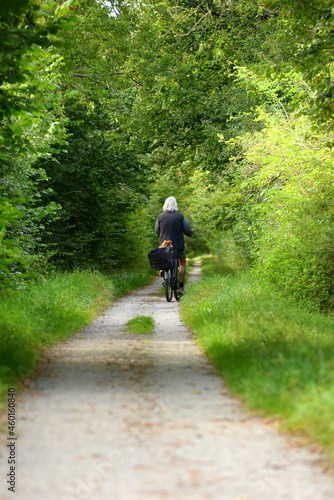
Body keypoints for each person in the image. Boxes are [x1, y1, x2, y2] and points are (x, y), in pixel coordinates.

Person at [155, 196, 193, 294]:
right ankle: (180, 287)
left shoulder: (160, 216)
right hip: (178, 245)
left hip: (164, 246)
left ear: (165, 204)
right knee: (182, 263)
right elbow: (188, 230)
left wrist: (163, 235)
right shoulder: (180, 216)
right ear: (175, 204)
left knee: (165, 259)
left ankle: (164, 270)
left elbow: (157, 231)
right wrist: (190, 233)